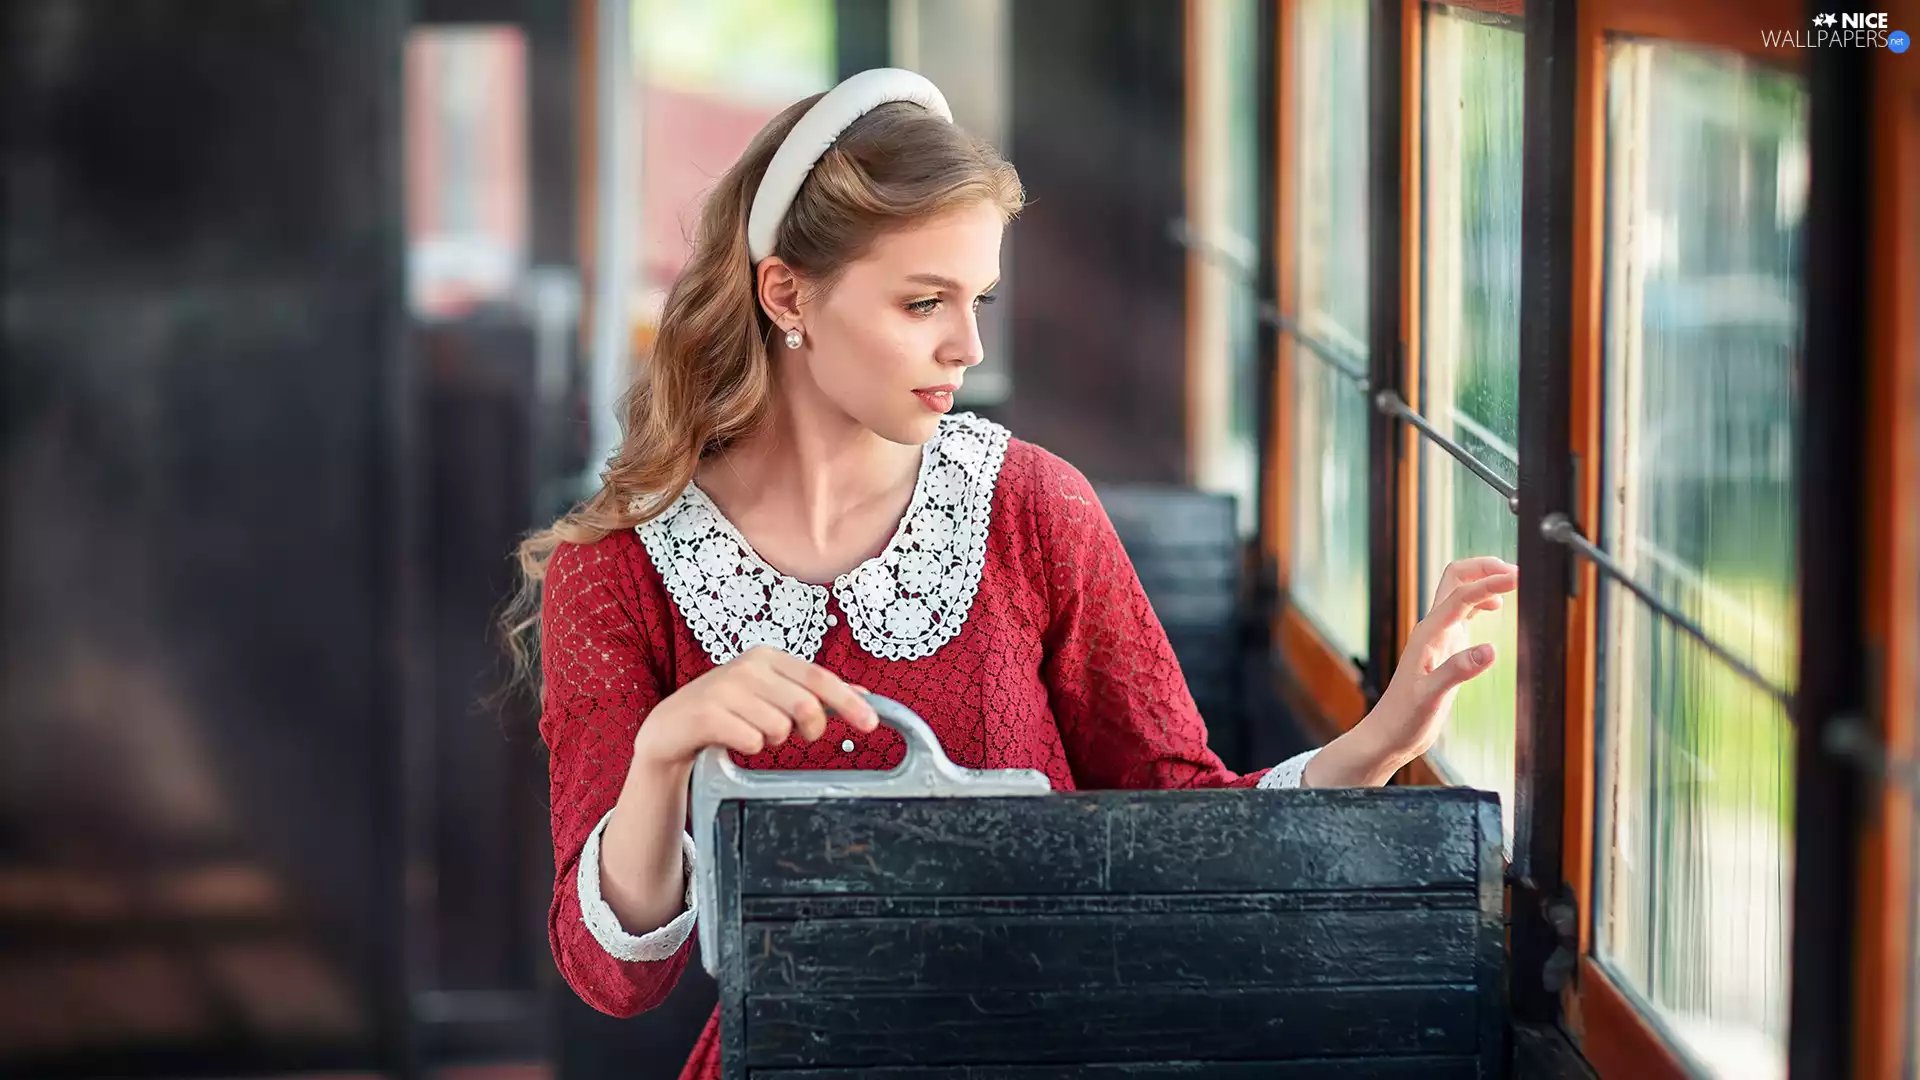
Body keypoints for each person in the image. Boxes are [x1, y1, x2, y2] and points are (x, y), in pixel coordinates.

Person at [500, 68, 1517, 1080]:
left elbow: (1186, 827)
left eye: (977, 298)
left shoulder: (1032, 506)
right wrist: (661, 756)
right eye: (923, 301)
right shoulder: (617, 572)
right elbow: (612, 977)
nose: (967, 345)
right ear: (786, 292)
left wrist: (1380, 738)